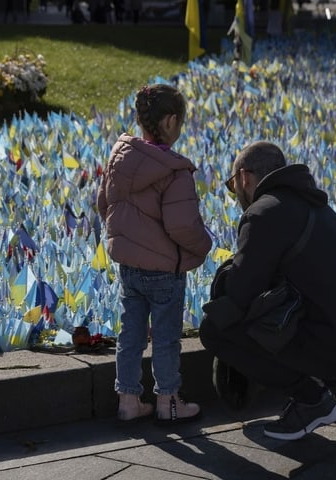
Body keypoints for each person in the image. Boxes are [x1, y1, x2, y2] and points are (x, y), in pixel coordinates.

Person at [199, 141, 336, 441]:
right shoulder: (314, 203)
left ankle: (311, 399)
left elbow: (241, 292)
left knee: (214, 329)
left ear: (244, 178)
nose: (234, 193)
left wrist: (222, 280)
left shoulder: (263, 213)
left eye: (232, 184)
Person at [97, 84, 213, 424]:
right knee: (165, 339)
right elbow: (181, 226)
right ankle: (169, 402)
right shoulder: (175, 171)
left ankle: (128, 401)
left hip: (129, 268)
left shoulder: (121, 159)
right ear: (171, 121)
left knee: (130, 334)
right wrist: (203, 245)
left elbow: (104, 204)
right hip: (165, 272)